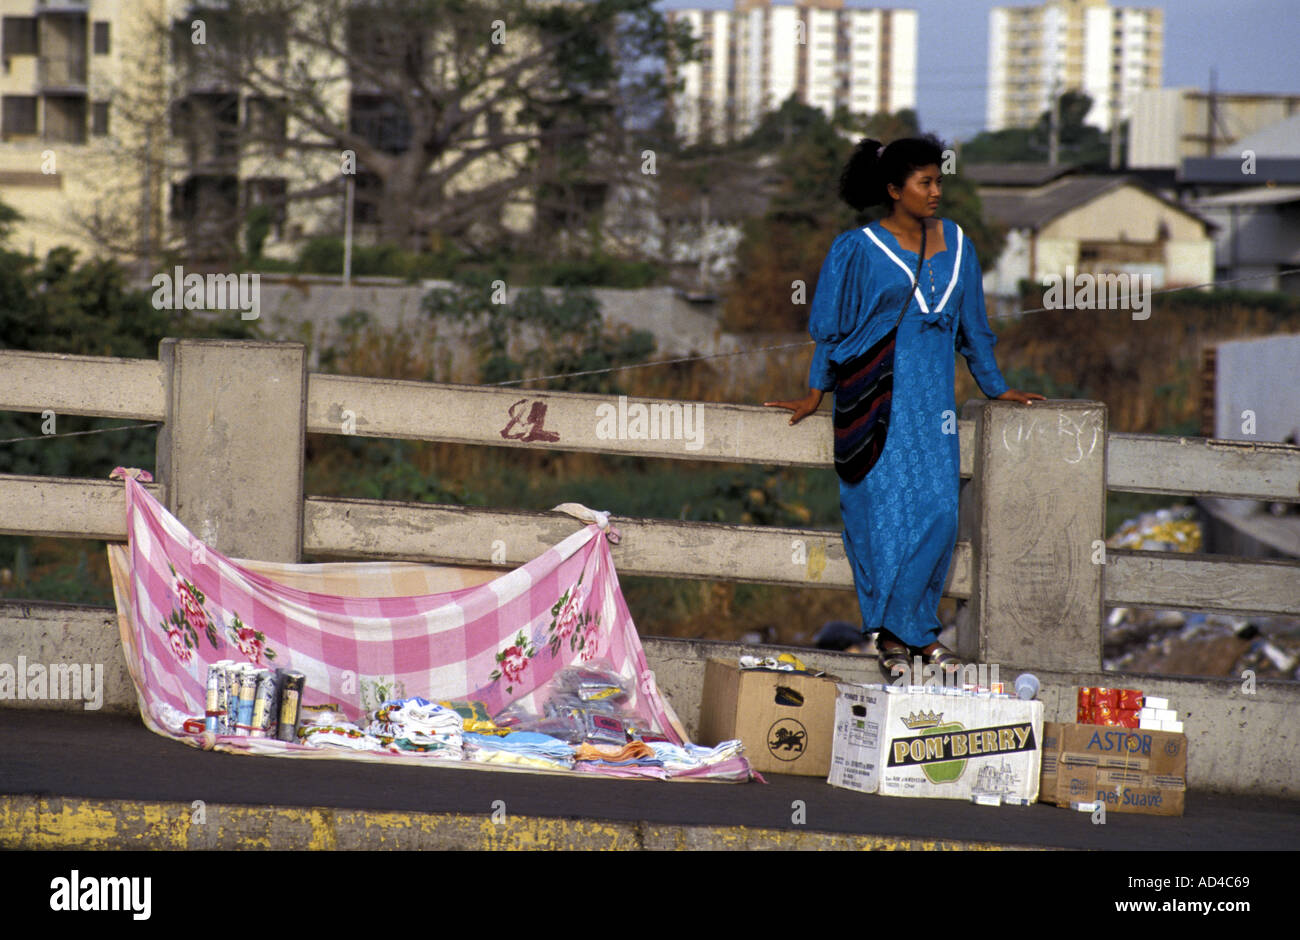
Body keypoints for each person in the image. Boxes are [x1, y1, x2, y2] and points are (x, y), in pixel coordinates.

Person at [765, 135, 1044, 679]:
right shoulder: (857, 248)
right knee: (881, 522)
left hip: (933, 410)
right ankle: (900, 639)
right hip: (872, 402)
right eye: (926, 182)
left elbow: (975, 330)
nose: (937, 191)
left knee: (939, 518)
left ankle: (908, 632)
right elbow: (830, 328)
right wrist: (814, 390)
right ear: (895, 190)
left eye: (940, 180)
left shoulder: (960, 244)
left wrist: (995, 387)